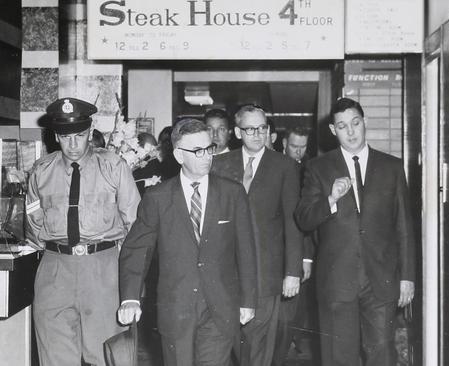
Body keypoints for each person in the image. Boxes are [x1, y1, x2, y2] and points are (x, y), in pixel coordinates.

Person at [117, 118, 257, 366]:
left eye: (209, 148)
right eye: (197, 151)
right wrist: (130, 298)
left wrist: (248, 300)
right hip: (176, 308)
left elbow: (246, 250)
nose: (206, 156)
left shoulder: (232, 193)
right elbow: (137, 249)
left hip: (220, 307)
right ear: (179, 155)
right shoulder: (157, 198)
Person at [295, 97, 416, 366]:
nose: (350, 132)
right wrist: (330, 199)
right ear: (332, 131)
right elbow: (303, 219)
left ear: (365, 123)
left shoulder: (392, 167)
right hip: (337, 281)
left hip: (381, 280)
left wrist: (407, 277)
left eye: (355, 123)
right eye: (342, 126)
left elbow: (404, 226)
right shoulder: (318, 168)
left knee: (382, 355)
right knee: (338, 358)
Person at [25, 97, 141, 366]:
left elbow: (135, 225)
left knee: (106, 357)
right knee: (55, 357)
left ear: (90, 132)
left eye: (79, 135)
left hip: (103, 270)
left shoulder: (114, 167)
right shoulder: (41, 172)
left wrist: (117, 267)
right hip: (55, 271)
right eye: (66, 137)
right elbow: (33, 227)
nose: (73, 144)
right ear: (56, 137)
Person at [211, 104, 302, 366]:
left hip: (266, 273)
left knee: (258, 348)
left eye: (262, 128)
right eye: (250, 129)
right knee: (228, 346)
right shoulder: (219, 165)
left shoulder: (284, 166)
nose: (258, 134)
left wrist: (292, 271)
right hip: (226, 274)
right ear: (237, 133)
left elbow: (291, 221)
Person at [273, 125, 316, 366]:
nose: (299, 152)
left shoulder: (309, 172)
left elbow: (305, 220)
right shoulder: (273, 167)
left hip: (297, 253)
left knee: (289, 315)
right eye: (294, 147)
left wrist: (306, 257)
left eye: (303, 147)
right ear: (283, 144)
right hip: (272, 251)